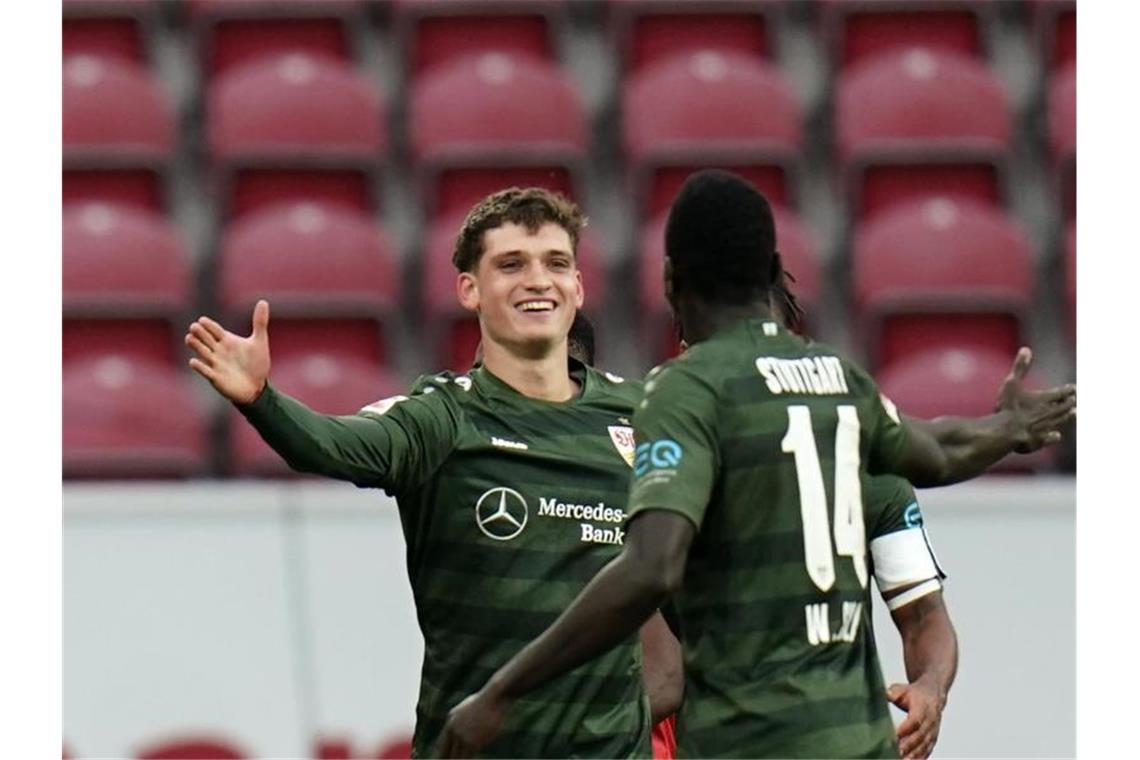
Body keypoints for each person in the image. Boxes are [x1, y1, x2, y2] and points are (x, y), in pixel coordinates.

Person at [437, 170, 1076, 758]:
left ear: (669, 281)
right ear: (770, 268)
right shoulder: (838, 381)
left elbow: (651, 566)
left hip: (749, 742)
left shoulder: (686, 392)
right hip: (858, 741)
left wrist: (502, 691)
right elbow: (939, 452)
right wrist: (1008, 428)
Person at [184, 187, 681, 757]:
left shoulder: (641, 415)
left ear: (578, 287)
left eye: (556, 263)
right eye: (511, 265)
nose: (538, 280)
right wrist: (262, 400)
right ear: (469, 289)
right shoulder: (444, 416)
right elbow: (334, 446)